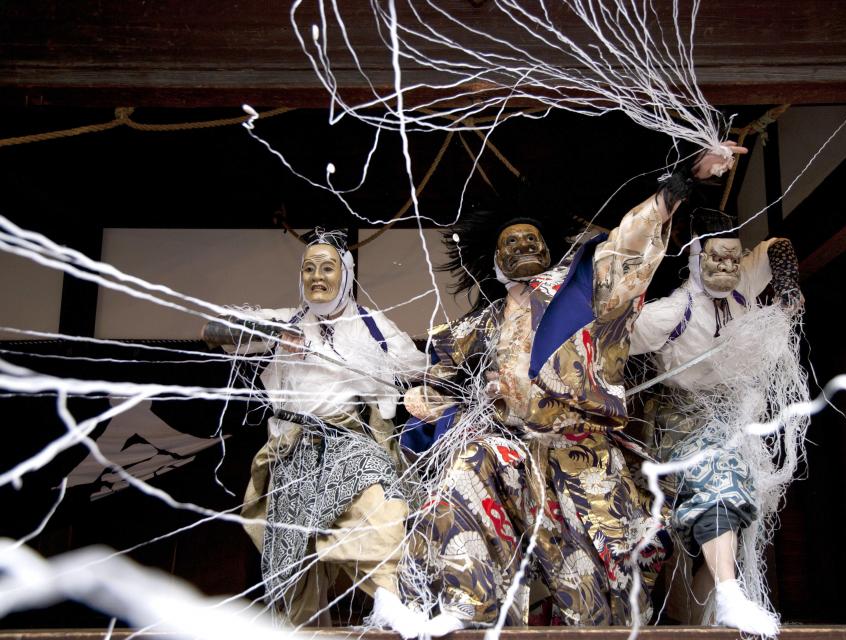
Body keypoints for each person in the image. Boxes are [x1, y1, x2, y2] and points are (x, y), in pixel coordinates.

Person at [401, 143, 746, 634]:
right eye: (511, 243)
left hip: (585, 461)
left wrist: (678, 186)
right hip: (517, 459)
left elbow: (626, 247)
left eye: (532, 240)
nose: (523, 248)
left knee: (599, 603)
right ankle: (465, 605)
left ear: (549, 249)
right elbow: (441, 386)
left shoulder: (580, 293)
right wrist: (428, 401)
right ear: (494, 261)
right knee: (467, 462)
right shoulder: (477, 327)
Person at [201, 229, 426, 635]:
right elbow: (213, 332)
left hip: (348, 441)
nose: (317, 277)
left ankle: (388, 599)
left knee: (381, 506)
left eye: (328, 268)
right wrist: (272, 335)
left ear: (346, 273)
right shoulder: (286, 321)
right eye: (309, 269)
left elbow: (417, 367)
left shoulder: (371, 326)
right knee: (293, 573)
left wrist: (355, 359)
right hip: (292, 449)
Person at [628, 211, 804, 636]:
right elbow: (614, 341)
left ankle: (714, 615)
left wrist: (787, 285)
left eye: (732, 259)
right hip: (681, 418)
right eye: (714, 259)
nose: (725, 268)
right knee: (717, 484)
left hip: (733, 417)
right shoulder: (672, 312)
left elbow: (778, 245)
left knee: (738, 523)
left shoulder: (744, 284)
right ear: (694, 257)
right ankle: (727, 593)